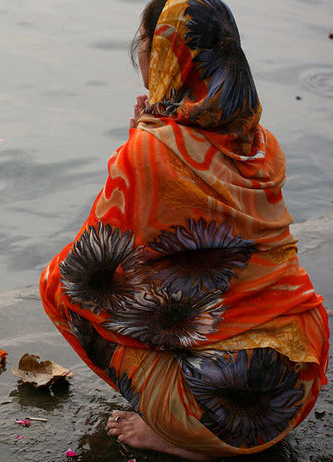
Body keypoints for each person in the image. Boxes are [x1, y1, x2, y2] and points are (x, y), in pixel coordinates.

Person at [39, 0, 329, 460]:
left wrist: (134, 145)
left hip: (222, 415)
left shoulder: (153, 148)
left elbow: (91, 270)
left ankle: (184, 437)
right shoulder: (258, 141)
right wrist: (145, 137)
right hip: (297, 379)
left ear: (163, 55)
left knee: (58, 284)